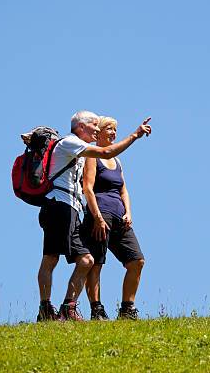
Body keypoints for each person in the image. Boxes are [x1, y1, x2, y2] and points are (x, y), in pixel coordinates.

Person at [36, 111, 152, 322]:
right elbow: (105, 155)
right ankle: (49, 309)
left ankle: (66, 308)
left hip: (71, 208)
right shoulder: (71, 142)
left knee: (85, 259)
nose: (97, 130)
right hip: (58, 205)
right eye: (95, 125)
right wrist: (134, 135)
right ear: (81, 127)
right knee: (56, 258)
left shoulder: (81, 150)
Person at [81, 116, 146, 320]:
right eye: (109, 129)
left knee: (136, 261)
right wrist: (98, 218)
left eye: (115, 130)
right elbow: (87, 189)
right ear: (98, 133)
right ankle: (96, 309)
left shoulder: (116, 161)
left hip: (119, 216)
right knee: (96, 262)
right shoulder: (92, 157)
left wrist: (129, 212)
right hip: (100, 214)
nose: (113, 133)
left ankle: (127, 308)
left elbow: (124, 190)